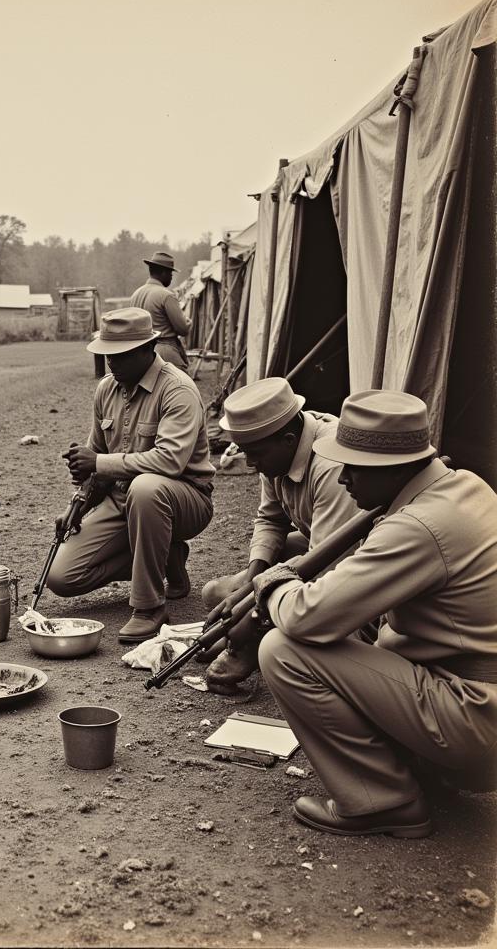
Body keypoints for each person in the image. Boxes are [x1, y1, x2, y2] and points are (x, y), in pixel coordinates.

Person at [239, 390, 497, 838]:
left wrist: (275, 584)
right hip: (473, 697)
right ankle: (419, 768)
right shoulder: (463, 485)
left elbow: (305, 617)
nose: (344, 481)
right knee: (358, 635)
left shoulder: (417, 526)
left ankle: (382, 800)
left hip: (473, 715)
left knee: (283, 649)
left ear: (394, 468)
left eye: (353, 468)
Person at [46, 307, 214, 642]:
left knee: (146, 488)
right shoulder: (106, 389)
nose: (112, 363)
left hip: (183, 500)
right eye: (107, 355)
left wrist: (98, 463)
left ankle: (149, 606)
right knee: (62, 578)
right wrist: (78, 503)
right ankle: (166, 559)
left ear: (148, 350)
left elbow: (168, 462)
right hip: (124, 501)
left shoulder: (177, 390)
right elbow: (98, 460)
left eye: (120, 356)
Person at [198, 377, 361, 693]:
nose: (249, 464)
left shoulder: (330, 465)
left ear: (287, 440)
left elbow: (326, 573)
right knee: (216, 594)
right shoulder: (275, 452)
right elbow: (271, 520)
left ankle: (256, 643)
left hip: (347, 567)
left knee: (253, 617)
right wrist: (250, 583)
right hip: (315, 550)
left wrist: (254, 615)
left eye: (254, 455)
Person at [129, 250, 190, 369]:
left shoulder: (135, 294)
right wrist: (188, 323)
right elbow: (182, 329)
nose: (171, 278)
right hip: (164, 350)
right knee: (180, 385)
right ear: (163, 273)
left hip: (140, 351)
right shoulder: (166, 295)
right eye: (170, 274)